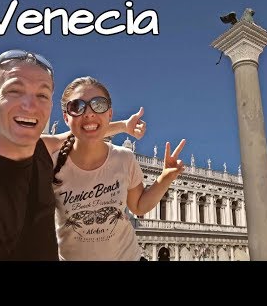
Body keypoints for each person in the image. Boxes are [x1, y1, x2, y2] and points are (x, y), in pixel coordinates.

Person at [0, 50, 146, 261]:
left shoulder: (42, 149)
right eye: (15, 91)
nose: (30, 105)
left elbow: (84, 131)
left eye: (42, 95)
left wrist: (124, 126)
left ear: (51, 106)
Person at [52, 76, 186, 260]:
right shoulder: (51, 162)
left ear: (110, 114)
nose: (89, 113)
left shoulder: (124, 157)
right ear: (66, 117)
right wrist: (121, 126)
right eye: (77, 107)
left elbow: (138, 206)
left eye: (98, 105)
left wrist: (165, 178)